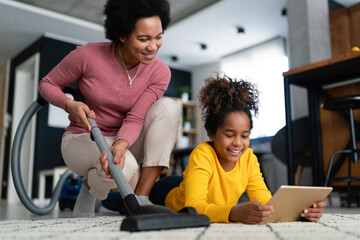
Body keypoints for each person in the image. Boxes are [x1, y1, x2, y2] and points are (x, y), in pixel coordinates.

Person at [38, 0, 181, 218]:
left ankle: (141, 199)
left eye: (158, 37)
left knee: (169, 107)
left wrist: (122, 145)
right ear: (122, 35)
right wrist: (69, 103)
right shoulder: (88, 56)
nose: (153, 47)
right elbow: (47, 84)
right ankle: (89, 190)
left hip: (126, 138)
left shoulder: (160, 73)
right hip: (83, 137)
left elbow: (136, 117)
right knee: (123, 168)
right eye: (144, 39)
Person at [149, 74, 327, 224]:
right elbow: (194, 208)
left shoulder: (249, 158)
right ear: (211, 133)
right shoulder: (202, 155)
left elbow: (265, 201)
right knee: (128, 202)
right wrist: (234, 213)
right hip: (167, 193)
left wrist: (302, 213)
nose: (238, 143)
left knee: (189, 182)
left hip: (190, 183)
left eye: (244, 136)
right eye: (229, 135)